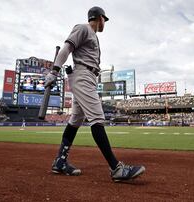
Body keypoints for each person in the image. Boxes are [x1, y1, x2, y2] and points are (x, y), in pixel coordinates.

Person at [44, 6, 145, 182]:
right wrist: (54, 71)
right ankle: (116, 169)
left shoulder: (94, 36)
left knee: (75, 121)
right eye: (104, 19)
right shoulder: (83, 28)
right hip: (83, 76)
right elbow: (66, 49)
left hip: (88, 76)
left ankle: (60, 161)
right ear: (99, 18)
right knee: (97, 118)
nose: (104, 23)